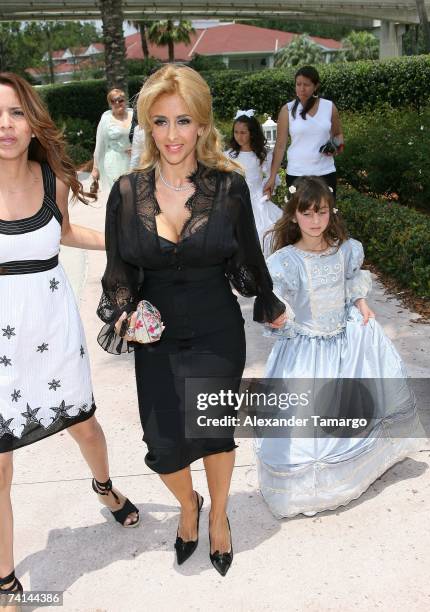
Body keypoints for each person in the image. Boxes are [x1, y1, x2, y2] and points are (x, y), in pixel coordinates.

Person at [96, 64, 286, 576]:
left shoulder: (228, 187)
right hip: (156, 337)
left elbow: (246, 259)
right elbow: (119, 270)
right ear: (147, 126)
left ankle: (219, 516)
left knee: (214, 433)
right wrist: (122, 310)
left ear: (202, 125)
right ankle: (189, 505)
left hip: (215, 331)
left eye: (184, 121)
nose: (172, 134)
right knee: (163, 447)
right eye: (160, 122)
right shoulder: (126, 192)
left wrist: (267, 299)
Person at [0, 73, 139, 600]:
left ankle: (104, 487)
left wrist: (123, 244)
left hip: (52, 329)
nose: (5, 125)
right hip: (0, 340)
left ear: (32, 120)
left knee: (83, 425)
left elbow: (59, 233)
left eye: (15, 112)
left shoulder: (51, 177)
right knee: (0, 465)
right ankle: (6, 581)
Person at [255, 176, 421, 518]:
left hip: (345, 344)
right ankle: (307, 488)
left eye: (322, 212)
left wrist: (361, 303)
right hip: (307, 349)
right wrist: (277, 315)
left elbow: (350, 280)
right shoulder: (287, 260)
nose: (316, 221)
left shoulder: (345, 249)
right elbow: (277, 297)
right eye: (308, 213)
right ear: (294, 215)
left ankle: (352, 469)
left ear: (331, 213)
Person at [263, 66, 344, 198]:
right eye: (298, 84)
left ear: (316, 86)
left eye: (306, 84)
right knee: (299, 217)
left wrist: (336, 146)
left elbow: (338, 135)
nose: (301, 88)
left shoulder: (329, 107)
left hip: (325, 172)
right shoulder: (287, 110)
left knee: (325, 216)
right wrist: (272, 177)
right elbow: (280, 146)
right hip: (297, 173)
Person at [225, 110, 282, 256]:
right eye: (236, 132)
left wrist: (268, 189)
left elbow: (271, 176)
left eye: (243, 132)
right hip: (235, 200)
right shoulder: (229, 155)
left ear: (252, 133)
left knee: (262, 233)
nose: (239, 136)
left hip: (257, 200)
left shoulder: (261, 155)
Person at [91, 88, 133, 191]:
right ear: (110, 104)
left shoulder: (133, 114)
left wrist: (138, 149)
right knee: (119, 195)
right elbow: (99, 145)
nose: (118, 103)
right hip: (114, 162)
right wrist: (95, 168)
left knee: (134, 195)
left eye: (121, 100)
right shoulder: (106, 119)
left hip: (133, 161)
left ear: (125, 101)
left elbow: (143, 136)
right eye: (113, 101)